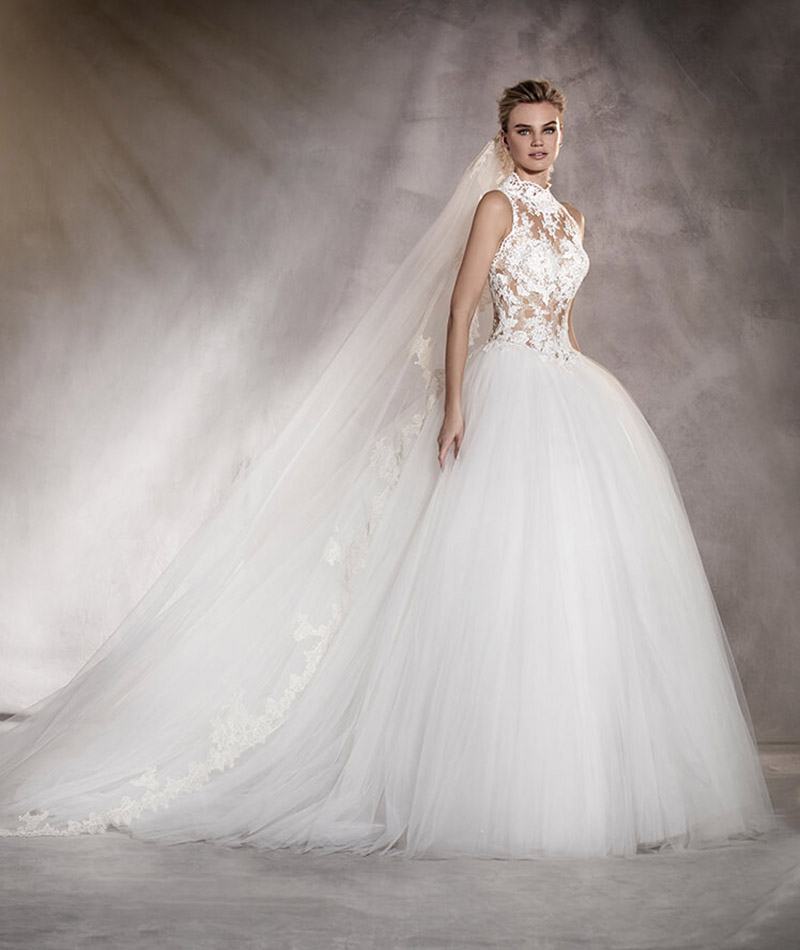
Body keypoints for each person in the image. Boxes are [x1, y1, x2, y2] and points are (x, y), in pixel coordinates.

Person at [0, 79, 777, 858]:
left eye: (549, 129)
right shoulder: (496, 207)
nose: (538, 142)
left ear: (562, 134)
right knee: (493, 569)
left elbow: (565, 322)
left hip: (568, 386)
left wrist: (586, 386)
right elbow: (462, 309)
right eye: (523, 130)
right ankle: (483, 778)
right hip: (506, 384)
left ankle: (578, 767)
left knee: (568, 570)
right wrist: (456, 406)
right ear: (503, 138)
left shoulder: (574, 218)